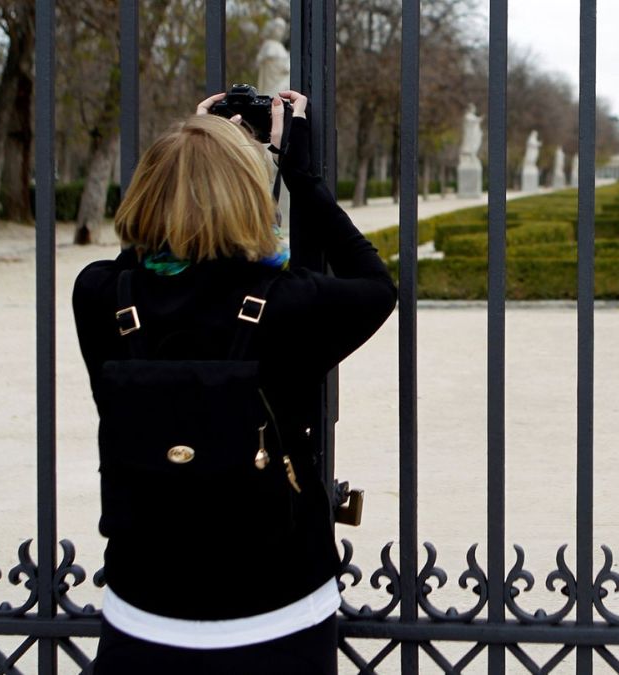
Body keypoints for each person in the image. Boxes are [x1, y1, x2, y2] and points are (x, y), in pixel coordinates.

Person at [73, 90, 396, 674]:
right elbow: (376, 282)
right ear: (249, 193)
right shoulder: (291, 302)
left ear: (146, 190)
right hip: (279, 604)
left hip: (145, 603)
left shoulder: (100, 296)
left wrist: (190, 148)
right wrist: (299, 175)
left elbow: (139, 263)